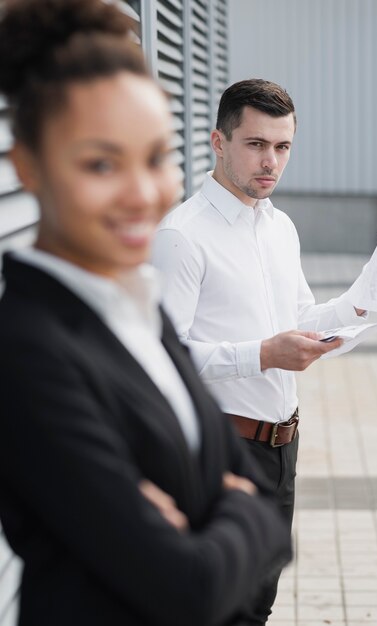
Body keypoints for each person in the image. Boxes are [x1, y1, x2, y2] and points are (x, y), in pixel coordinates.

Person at [0, 5, 292, 625]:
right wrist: (233, 506)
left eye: (156, 156)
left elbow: (271, 529)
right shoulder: (29, 352)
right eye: (101, 163)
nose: (145, 192)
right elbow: (190, 586)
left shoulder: (135, 312)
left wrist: (226, 516)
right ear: (27, 165)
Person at [152, 79, 366, 624]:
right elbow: (163, 359)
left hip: (281, 448)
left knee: (259, 602)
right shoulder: (182, 236)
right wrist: (262, 355)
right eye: (255, 144)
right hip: (220, 447)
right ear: (218, 143)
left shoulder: (280, 227)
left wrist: (358, 309)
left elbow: (296, 323)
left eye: (282, 146)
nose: (270, 161)